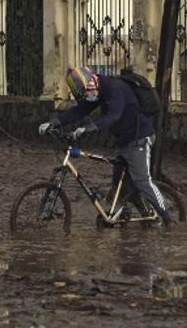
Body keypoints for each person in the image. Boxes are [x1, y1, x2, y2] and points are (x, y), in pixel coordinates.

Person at [38, 67, 174, 226]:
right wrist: (54, 123)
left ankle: (166, 216)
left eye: (87, 93)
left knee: (142, 180)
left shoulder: (115, 88)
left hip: (139, 138)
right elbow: (79, 111)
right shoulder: (97, 90)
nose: (88, 97)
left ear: (92, 83)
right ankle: (145, 214)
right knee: (121, 185)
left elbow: (113, 116)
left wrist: (90, 128)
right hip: (122, 140)